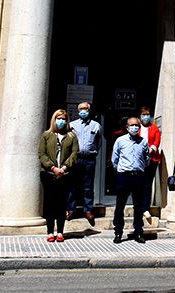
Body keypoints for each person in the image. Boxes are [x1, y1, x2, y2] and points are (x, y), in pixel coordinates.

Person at [38, 109, 79, 242]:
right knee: (50, 203)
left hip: (65, 174)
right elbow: (42, 154)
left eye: (64, 119)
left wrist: (64, 168)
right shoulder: (46, 135)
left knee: (61, 203)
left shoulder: (72, 136)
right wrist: (53, 168)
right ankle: (50, 232)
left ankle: (60, 231)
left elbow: (74, 154)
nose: (61, 121)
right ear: (54, 120)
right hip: (49, 174)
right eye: (59, 118)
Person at [111, 115, 150, 244]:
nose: (134, 127)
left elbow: (147, 159)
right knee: (120, 206)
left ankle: (138, 232)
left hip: (138, 176)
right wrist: (120, 170)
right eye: (132, 125)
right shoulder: (120, 141)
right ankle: (118, 232)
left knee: (138, 206)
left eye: (137, 125)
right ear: (127, 127)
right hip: (124, 176)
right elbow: (115, 159)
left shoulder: (143, 141)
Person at [66, 101, 102, 225]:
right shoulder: (72, 125)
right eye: (81, 109)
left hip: (89, 159)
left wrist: (93, 152)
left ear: (89, 110)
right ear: (78, 110)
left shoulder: (96, 125)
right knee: (73, 185)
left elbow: (99, 142)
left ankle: (88, 210)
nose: (83, 111)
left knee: (88, 185)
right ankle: (71, 209)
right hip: (75, 158)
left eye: (86, 109)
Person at [139, 106, 162, 218]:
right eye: (143, 114)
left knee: (147, 184)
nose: (145, 117)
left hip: (151, 159)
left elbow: (157, 140)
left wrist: (152, 148)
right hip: (138, 160)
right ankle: (138, 206)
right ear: (140, 116)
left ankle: (145, 208)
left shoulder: (154, 128)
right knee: (138, 184)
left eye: (147, 114)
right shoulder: (137, 128)